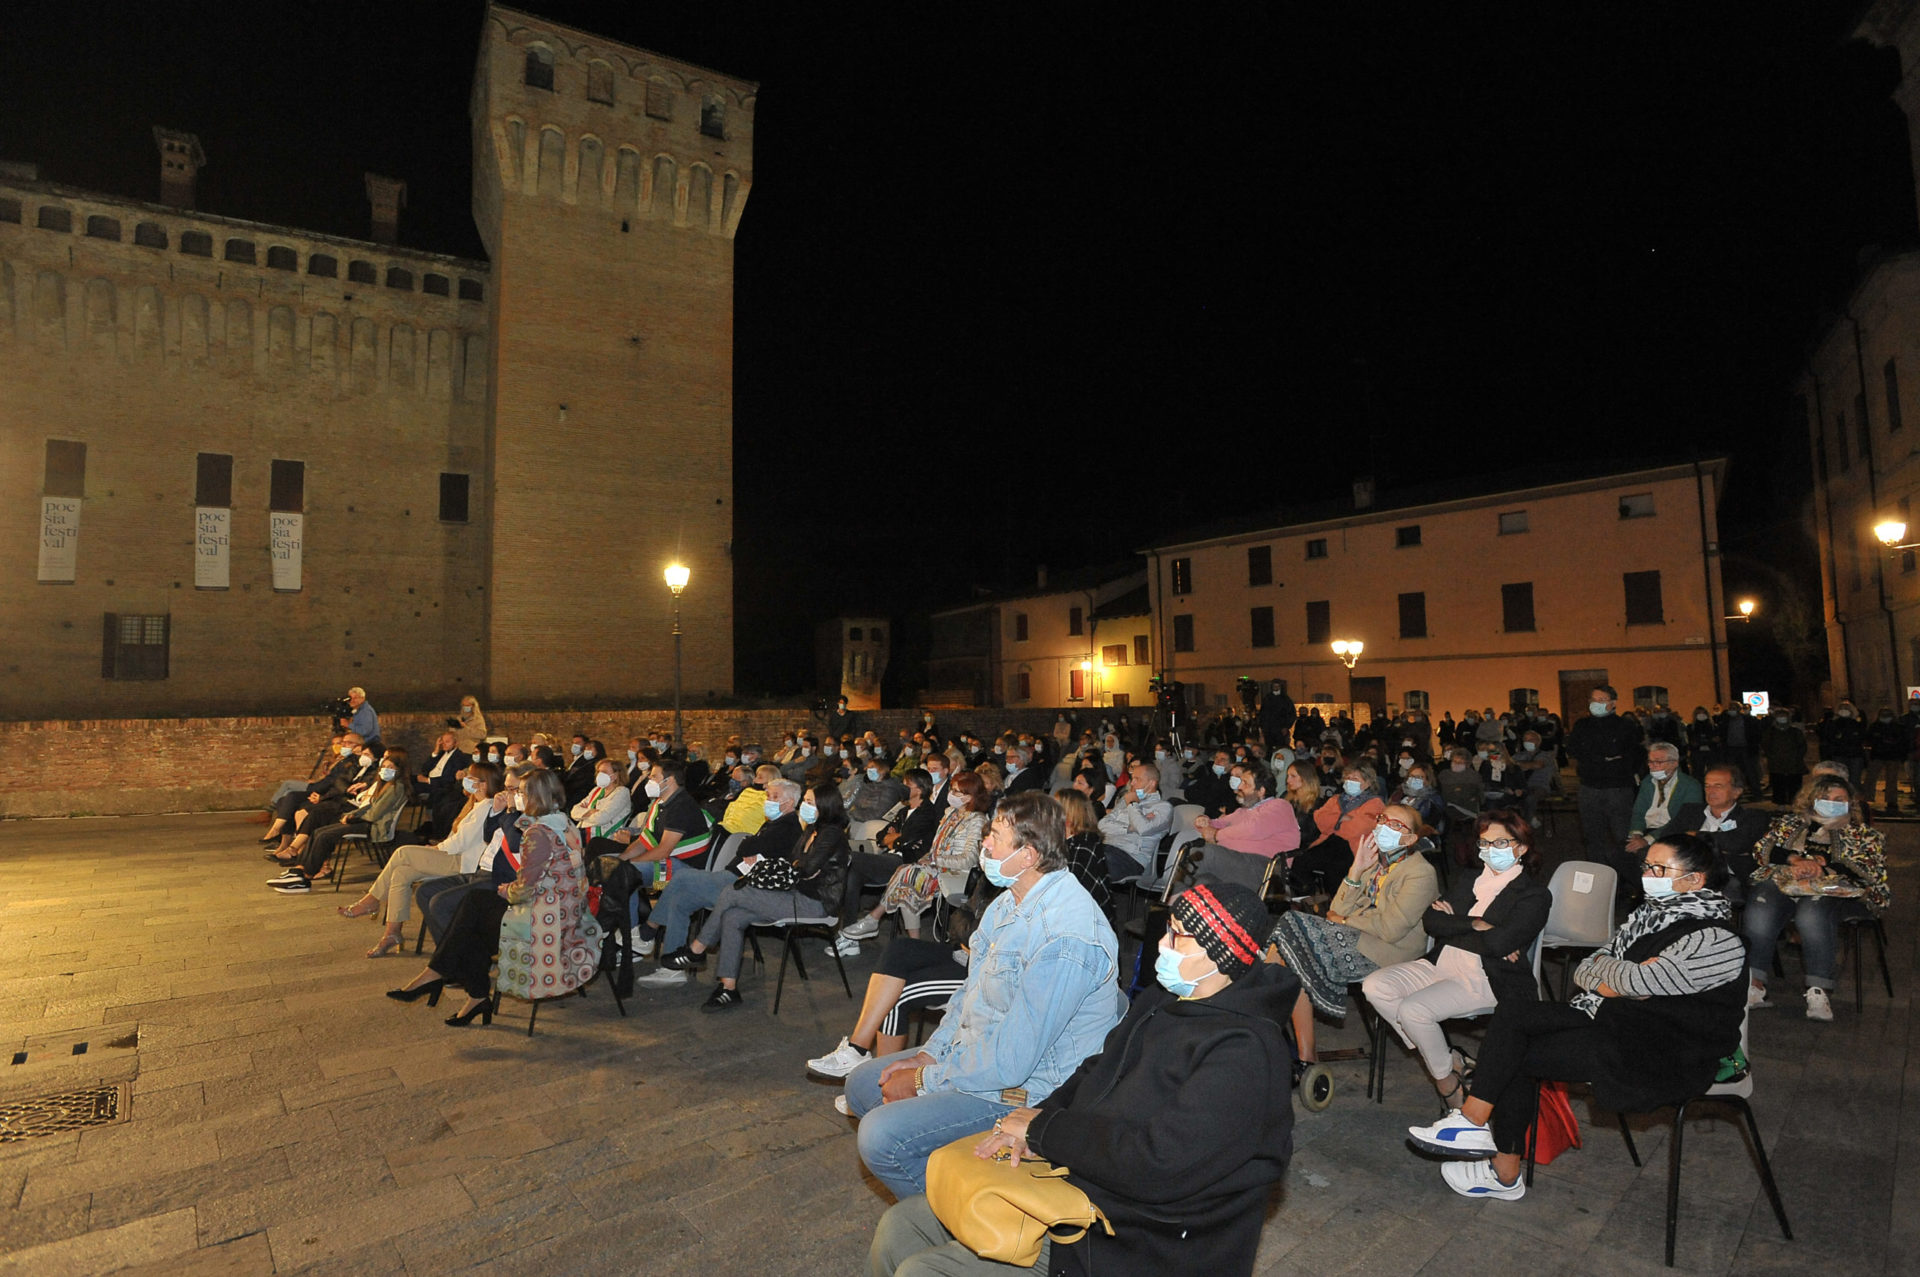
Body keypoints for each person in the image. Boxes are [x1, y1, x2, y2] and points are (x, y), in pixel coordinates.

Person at [869, 883, 1295, 1277]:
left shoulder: (1245, 1056)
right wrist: (1035, 1120)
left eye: (1179, 936)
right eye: (1168, 929)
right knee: (900, 1225)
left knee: (922, 1272)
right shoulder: (1165, 999)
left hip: (1135, 1239)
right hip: (1084, 1185)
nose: (1162, 944)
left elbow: (1156, 1164)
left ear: (1223, 952)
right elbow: (1097, 1068)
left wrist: (1042, 1131)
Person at [1407, 832, 1745, 1201]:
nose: (1648, 875)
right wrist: (1617, 977)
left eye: (1660, 868)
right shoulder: (1648, 917)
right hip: (1616, 1019)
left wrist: (1616, 975)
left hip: (1665, 1050)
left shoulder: (1716, 939)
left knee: (1512, 1054)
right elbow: (1589, 969)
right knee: (1514, 1013)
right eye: (1647, 866)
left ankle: (1498, 1163)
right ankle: (1474, 1125)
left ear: (1695, 879)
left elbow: (1639, 980)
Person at [841, 791, 1124, 1201]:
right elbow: (969, 995)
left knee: (881, 1136)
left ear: (1027, 855)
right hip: (989, 1055)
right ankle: (942, 1164)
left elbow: (1012, 1063)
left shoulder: (1067, 936)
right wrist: (929, 1055)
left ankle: (949, 1220)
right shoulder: (1008, 902)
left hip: (1034, 1088)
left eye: (994, 835)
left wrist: (923, 1081)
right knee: (862, 1084)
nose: (984, 844)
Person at [1360, 812, 1551, 1110]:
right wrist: (1477, 925)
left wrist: (1458, 923)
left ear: (1522, 847)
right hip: (1439, 963)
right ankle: (1450, 1063)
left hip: (1485, 979)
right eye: (1485, 842)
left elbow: (1499, 943)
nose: (1491, 849)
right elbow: (1432, 922)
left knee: (1414, 1011)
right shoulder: (1470, 879)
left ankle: (1446, 1085)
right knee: (1374, 985)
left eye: (1501, 842)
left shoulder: (1534, 895)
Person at [386, 767, 584, 1027]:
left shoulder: (541, 831)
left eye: (520, 792)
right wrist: (505, 813)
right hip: (555, 906)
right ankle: (469, 992)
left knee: (472, 912)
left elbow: (523, 881)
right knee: (472, 912)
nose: (515, 796)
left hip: (547, 917)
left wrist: (505, 890)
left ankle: (443, 975)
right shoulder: (556, 820)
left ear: (536, 795)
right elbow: (505, 836)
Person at [1266, 803, 1438, 1068]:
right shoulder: (1375, 864)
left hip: (1387, 953)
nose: (1383, 827)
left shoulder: (1420, 873)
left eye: (1395, 825)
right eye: (1382, 820)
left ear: (1410, 838)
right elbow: (1336, 908)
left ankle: (1273, 1035)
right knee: (1288, 953)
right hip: (1358, 939)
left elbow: (1390, 929)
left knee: (1289, 931)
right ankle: (1301, 1052)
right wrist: (1356, 869)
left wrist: (1347, 920)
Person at [654, 783, 852, 1011]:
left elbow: (806, 868)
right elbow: (795, 864)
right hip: (795, 892)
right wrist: (794, 866)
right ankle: (728, 989)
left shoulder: (831, 834)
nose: (804, 807)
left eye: (809, 802)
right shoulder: (811, 829)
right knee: (733, 916)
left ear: (825, 806)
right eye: (804, 801)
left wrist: (795, 866)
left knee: (731, 891)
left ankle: (697, 949)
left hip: (815, 903)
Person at [1741, 776, 1889, 1022]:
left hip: (1834, 890)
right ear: (1812, 800)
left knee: (1812, 912)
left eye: (1839, 799)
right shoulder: (1789, 823)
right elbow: (1762, 849)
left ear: (1850, 802)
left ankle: (1818, 989)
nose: (1832, 803)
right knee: (1760, 904)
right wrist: (1795, 861)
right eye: (1825, 798)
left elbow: (1870, 870)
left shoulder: (1864, 834)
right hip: (1785, 881)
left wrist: (1825, 866)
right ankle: (1755, 984)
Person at [636, 779, 805, 984]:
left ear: (789, 803)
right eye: (768, 796)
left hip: (740, 884)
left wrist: (749, 847)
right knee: (680, 899)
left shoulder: (787, 827)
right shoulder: (775, 822)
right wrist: (749, 846)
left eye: (774, 797)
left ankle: (649, 930)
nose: (768, 800)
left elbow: (745, 847)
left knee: (680, 877)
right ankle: (673, 967)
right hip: (732, 877)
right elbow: (747, 845)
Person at [338, 761, 503, 957]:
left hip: (462, 863)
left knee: (403, 852)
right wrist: (437, 848)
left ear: (483, 784)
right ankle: (392, 933)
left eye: (470, 777)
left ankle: (371, 900)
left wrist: (435, 848)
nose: (465, 780)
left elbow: (460, 843)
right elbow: (455, 837)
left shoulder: (487, 806)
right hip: (452, 856)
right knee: (401, 873)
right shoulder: (474, 804)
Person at [846, 772, 991, 941]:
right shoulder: (950, 813)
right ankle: (911, 939)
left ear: (968, 797)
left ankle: (874, 918)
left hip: (955, 874)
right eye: (951, 789)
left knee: (908, 874)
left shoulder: (976, 820)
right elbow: (936, 846)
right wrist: (927, 856)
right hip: (934, 867)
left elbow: (969, 859)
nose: (951, 794)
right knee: (907, 881)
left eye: (957, 792)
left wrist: (936, 859)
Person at [807, 934, 971, 1082]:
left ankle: (881, 1084)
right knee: (899, 948)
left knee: (896, 997)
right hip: (968, 949)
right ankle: (857, 1050)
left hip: (983, 970)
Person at [268, 748, 412, 892]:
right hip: (363, 820)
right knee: (318, 831)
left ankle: (306, 876)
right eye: (384, 767)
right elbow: (368, 806)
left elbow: (375, 814)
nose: (386, 770)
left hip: (373, 826)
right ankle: (299, 869)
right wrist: (351, 815)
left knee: (325, 836)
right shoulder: (384, 785)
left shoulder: (396, 788)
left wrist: (352, 817)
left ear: (399, 770)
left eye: (391, 768)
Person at [1564, 684, 1644, 880]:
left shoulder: (1625, 726)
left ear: (1612, 703)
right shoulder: (1582, 725)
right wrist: (1603, 757)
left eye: (1601, 700)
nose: (1596, 704)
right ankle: (1597, 878)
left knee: (1622, 837)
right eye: (1593, 700)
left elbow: (1633, 755)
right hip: (1590, 788)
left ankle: (1628, 880)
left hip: (1618, 789)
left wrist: (1610, 758)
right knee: (1593, 838)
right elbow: (1573, 749)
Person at [1291, 761, 1386, 894]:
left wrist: (1334, 820)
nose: (1349, 781)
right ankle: (1306, 901)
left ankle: (1335, 908)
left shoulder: (1375, 803)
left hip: (1352, 849)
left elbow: (1356, 829)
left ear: (1368, 783)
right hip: (1328, 842)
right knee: (1299, 863)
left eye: (1355, 779)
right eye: (1347, 778)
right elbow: (1319, 819)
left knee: (1335, 871)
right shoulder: (1336, 798)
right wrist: (1342, 819)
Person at [1194, 762, 1300, 864]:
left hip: (1264, 867)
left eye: (1245, 783)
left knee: (1203, 855)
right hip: (1235, 861)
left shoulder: (1280, 806)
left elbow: (1254, 829)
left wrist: (1217, 835)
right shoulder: (1243, 811)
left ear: (1260, 791)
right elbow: (1218, 823)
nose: (1239, 787)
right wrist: (1204, 821)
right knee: (1202, 873)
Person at [1096, 760, 1174, 882]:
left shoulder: (1163, 807)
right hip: (1106, 847)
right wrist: (1129, 828)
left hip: (1130, 859)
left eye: (1137, 779)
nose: (1132, 783)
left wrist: (1133, 804)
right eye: (1132, 778)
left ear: (1152, 783)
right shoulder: (1125, 800)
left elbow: (1143, 829)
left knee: (1091, 864)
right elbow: (1101, 825)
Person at [1625, 741, 1702, 858]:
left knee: (1645, 856)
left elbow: (1683, 821)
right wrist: (1636, 833)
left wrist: (1648, 840)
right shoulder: (1647, 781)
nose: (1652, 766)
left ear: (1674, 763)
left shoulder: (1690, 785)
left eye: (1659, 762)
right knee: (1617, 853)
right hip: (1647, 830)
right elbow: (1638, 811)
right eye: (1650, 761)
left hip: (1673, 833)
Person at [1865, 705, 1909, 815]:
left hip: (1893, 756)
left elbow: (1903, 742)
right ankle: (1867, 798)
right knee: (1871, 778)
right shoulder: (1875, 726)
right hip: (1878, 755)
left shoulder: (1898, 727)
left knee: (1892, 780)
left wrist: (1902, 755)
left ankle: (1891, 801)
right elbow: (1868, 739)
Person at [1759, 708, 1808, 805]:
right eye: (1779, 716)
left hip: (1794, 764)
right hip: (1776, 764)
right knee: (1778, 785)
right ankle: (1780, 804)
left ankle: (1794, 804)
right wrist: (1772, 757)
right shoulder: (1770, 732)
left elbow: (1802, 746)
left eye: (1784, 716)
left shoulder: (1795, 732)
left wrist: (1797, 757)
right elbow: (1765, 746)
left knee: (1794, 785)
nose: (1782, 719)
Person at [338, 686, 381, 753]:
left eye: (355, 698)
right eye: (350, 698)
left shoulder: (365, 711)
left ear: (362, 698)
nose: (352, 701)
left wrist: (348, 725)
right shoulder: (359, 711)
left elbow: (365, 731)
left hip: (368, 746)